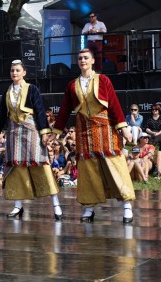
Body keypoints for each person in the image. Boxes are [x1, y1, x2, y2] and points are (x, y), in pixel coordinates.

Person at [51, 48, 134, 223]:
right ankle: (89, 208)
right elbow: (65, 110)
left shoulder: (103, 80)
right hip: (83, 130)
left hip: (105, 127)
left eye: (86, 58)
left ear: (93, 61)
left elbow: (114, 105)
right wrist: (55, 132)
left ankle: (126, 205)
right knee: (88, 169)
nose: (83, 61)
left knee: (114, 164)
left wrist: (124, 128)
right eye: (80, 58)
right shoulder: (72, 85)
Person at [0, 60, 62, 220]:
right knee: (16, 168)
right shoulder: (7, 92)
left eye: (17, 70)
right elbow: (1, 115)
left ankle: (56, 203)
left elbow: (40, 111)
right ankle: (18, 206)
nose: (14, 73)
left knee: (40, 165)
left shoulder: (32, 89)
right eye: (12, 70)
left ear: (24, 73)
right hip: (13, 133)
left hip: (31, 131)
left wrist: (44, 132)